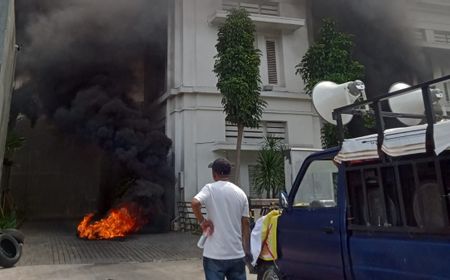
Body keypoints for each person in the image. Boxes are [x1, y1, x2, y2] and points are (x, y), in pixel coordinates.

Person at [192, 158, 251, 280]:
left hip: (214, 255)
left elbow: (195, 203)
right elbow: (246, 224)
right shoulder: (241, 194)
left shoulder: (209, 189)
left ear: (214, 174)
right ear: (229, 173)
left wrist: (202, 221)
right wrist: (246, 250)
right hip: (236, 254)